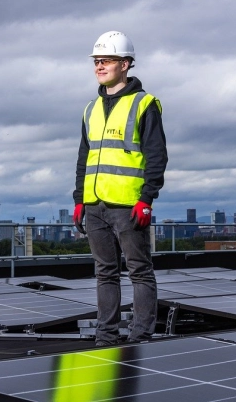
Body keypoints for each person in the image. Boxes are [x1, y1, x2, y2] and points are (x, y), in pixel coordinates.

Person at [72, 30, 168, 346]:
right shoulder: (90, 109)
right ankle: (106, 337)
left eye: (107, 60)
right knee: (105, 274)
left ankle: (140, 337)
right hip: (95, 205)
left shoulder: (144, 104)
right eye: (97, 61)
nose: (100, 66)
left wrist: (146, 198)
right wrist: (78, 199)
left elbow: (157, 154)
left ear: (125, 64)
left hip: (129, 205)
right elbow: (84, 156)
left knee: (139, 271)